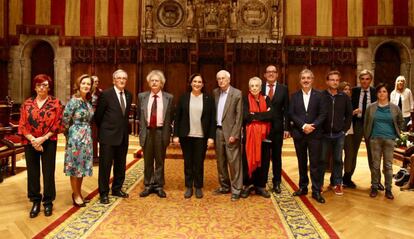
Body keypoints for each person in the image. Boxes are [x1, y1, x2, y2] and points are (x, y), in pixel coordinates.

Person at [18, 74, 63, 218]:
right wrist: (33, 140)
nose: (41, 88)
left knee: (48, 172)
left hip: (48, 141)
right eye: (38, 85)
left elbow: (58, 124)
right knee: (33, 173)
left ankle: (48, 202)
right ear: (35, 87)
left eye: (44, 85)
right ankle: (35, 201)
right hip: (30, 142)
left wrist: (42, 139)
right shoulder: (27, 104)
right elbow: (22, 125)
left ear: (49, 87)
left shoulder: (55, 103)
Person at [173, 73, 215, 199]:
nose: (197, 84)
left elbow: (212, 119)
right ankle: (188, 186)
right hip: (186, 135)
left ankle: (198, 186)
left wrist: (211, 137)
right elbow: (177, 118)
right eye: (194, 81)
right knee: (188, 162)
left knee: (199, 162)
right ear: (190, 83)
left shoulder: (208, 99)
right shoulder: (184, 98)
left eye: (199, 82)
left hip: (201, 136)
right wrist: (175, 135)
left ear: (203, 84)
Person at [289, 69, 327, 203]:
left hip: (315, 134)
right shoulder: (294, 96)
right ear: (300, 80)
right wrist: (304, 126)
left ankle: (316, 190)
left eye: (308, 78)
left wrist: (313, 126)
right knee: (302, 162)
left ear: (312, 79)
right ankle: (303, 187)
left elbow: (323, 114)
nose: (306, 80)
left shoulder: (320, 95)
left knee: (315, 163)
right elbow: (292, 114)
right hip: (300, 134)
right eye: (303, 78)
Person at [95, 69, 132, 204]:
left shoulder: (129, 95)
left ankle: (117, 189)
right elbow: (98, 116)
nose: (122, 80)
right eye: (119, 78)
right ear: (114, 80)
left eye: (124, 78)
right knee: (105, 166)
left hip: (123, 136)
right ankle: (103, 193)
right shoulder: (106, 94)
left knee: (120, 165)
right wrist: (106, 130)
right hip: (108, 136)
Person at [138, 70, 174, 198]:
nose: (154, 82)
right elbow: (140, 116)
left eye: (157, 81)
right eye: (152, 80)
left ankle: (158, 185)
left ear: (161, 83)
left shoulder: (168, 97)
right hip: (147, 132)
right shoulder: (142, 96)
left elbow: (170, 117)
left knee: (160, 161)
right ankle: (148, 185)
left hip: (161, 132)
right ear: (149, 83)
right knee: (147, 160)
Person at [364, 83, 403, 199]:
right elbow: (366, 122)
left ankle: (389, 189)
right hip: (375, 139)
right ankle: (374, 187)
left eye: (384, 91)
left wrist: (395, 134)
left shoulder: (394, 108)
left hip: (389, 140)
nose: (382, 94)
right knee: (375, 165)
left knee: (388, 165)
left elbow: (400, 121)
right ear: (377, 94)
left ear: (388, 93)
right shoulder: (371, 107)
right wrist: (368, 135)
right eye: (380, 91)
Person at [62, 74, 95, 207]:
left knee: (81, 167)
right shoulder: (73, 101)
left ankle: (79, 193)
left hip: (86, 137)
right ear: (78, 85)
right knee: (75, 167)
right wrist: (71, 135)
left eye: (88, 84)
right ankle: (75, 195)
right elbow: (65, 120)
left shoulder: (87, 101)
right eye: (84, 83)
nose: (86, 86)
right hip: (75, 137)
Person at [213, 70, 243, 201]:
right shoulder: (215, 93)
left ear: (229, 80)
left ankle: (237, 189)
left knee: (234, 162)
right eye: (218, 79)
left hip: (231, 133)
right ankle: (224, 186)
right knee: (220, 161)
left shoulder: (237, 94)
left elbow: (239, 116)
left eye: (223, 78)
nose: (221, 81)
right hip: (218, 131)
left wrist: (235, 134)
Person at [321, 71, 352, 196]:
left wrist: (344, 129)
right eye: (332, 80)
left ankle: (336, 183)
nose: (334, 82)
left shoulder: (344, 97)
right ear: (327, 81)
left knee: (338, 159)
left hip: (339, 134)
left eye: (336, 80)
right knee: (322, 160)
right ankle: (319, 184)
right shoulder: (321, 95)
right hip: (324, 134)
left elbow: (349, 114)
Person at [241, 77, 272, 198]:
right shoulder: (245, 99)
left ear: (260, 88)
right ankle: (247, 185)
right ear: (249, 88)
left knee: (263, 161)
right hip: (250, 137)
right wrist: (262, 115)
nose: (254, 88)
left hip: (264, 136)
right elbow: (246, 116)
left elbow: (271, 115)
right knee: (248, 160)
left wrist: (255, 115)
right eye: (252, 86)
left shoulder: (266, 98)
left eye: (256, 86)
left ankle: (260, 186)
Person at [346, 70, 377, 189]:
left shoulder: (375, 92)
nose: (364, 81)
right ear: (359, 80)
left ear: (371, 80)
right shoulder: (354, 91)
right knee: (352, 152)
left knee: (373, 153)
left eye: (367, 79)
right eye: (362, 79)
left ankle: (376, 180)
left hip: (371, 125)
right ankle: (347, 178)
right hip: (357, 123)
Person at [262, 65, 289, 194]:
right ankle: (261, 182)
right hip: (262, 128)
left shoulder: (283, 89)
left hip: (278, 128)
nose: (271, 74)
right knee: (263, 157)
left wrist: (287, 128)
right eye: (269, 72)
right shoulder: (259, 87)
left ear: (277, 74)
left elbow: (287, 110)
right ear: (265, 75)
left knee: (277, 156)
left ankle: (277, 182)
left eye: (274, 72)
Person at [339, 81, 356, 187]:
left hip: (349, 132)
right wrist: (352, 113)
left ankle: (347, 177)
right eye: (345, 89)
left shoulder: (351, 101)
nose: (347, 91)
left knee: (349, 155)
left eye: (349, 89)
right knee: (338, 156)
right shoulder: (337, 100)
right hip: (339, 132)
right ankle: (336, 177)